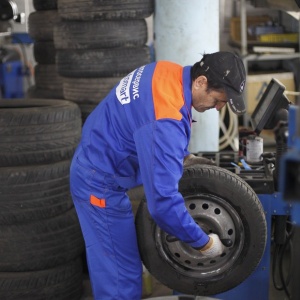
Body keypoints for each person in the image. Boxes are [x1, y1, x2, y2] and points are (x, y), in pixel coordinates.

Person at [70, 51, 246, 300]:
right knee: (121, 280)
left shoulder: (167, 71)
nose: (218, 108)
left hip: (98, 155)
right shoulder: (165, 121)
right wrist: (204, 243)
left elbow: (148, 119)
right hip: (98, 184)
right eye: (218, 99)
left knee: (124, 267)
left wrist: (181, 157)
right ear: (201, 82)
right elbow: (162, 205)